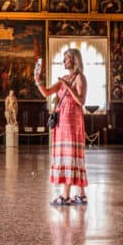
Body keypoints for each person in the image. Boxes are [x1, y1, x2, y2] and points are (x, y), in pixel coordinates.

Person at [35, 49, 88, 206]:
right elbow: (46, 92)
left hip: (73, 120)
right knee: (67, 155)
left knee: (70, 155)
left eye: (66, 59)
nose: (63, 62)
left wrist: (68, 87)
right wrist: (37, 79)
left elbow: (81, 101)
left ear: (74, 60)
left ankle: (65, 196)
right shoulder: (64, 78)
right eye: (63, 59)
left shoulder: (80, 78)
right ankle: (81, 195)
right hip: (62, 119)